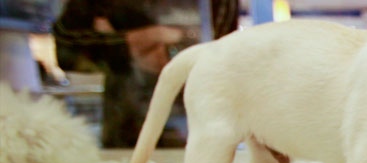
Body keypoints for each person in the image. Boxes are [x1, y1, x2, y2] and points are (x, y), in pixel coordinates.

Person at [52, 0, 238, 148]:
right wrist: (138, 41)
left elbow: (227, 55)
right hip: (125, 131)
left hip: (201, 130)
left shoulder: (219, 4)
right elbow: (66, 49)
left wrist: (170, 44)